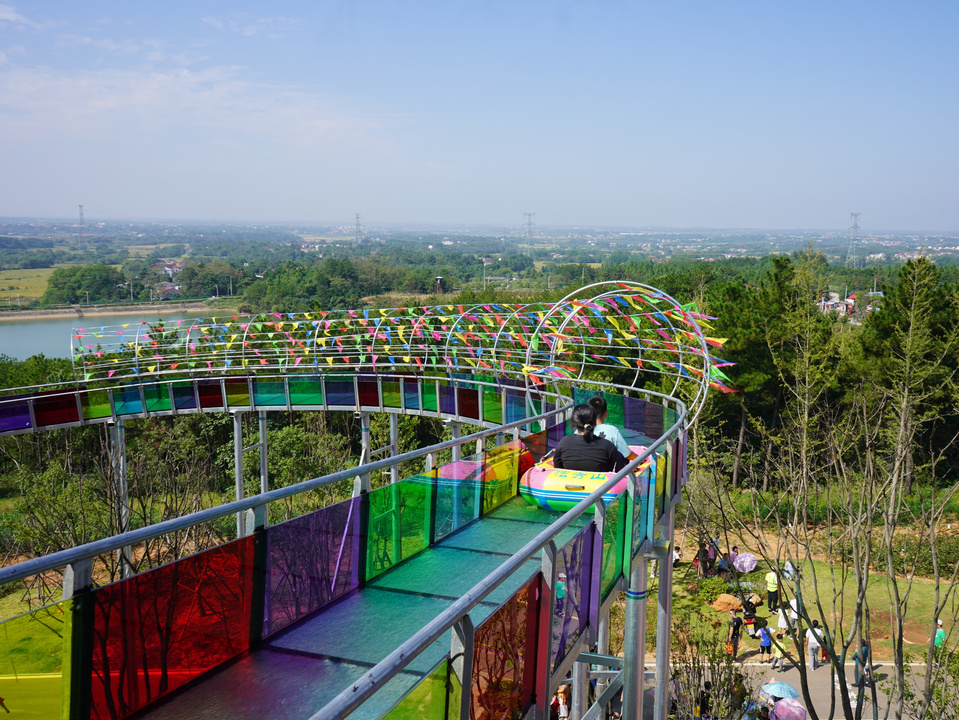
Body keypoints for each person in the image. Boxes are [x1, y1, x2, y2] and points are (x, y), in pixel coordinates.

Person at [552, 404, 627, 473]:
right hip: (600, 486)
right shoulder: (607, 445)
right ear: (594, 422)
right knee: (619, 455)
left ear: (574, 422)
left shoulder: (563, 442)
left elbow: (557, 468)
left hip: (567, 485)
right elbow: (620, 472)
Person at [588, 395, 639, 461]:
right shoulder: (611, 431)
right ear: (606, 413)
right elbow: (627, 455)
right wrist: (641, 459)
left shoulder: (579, 431)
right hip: (605, 467)